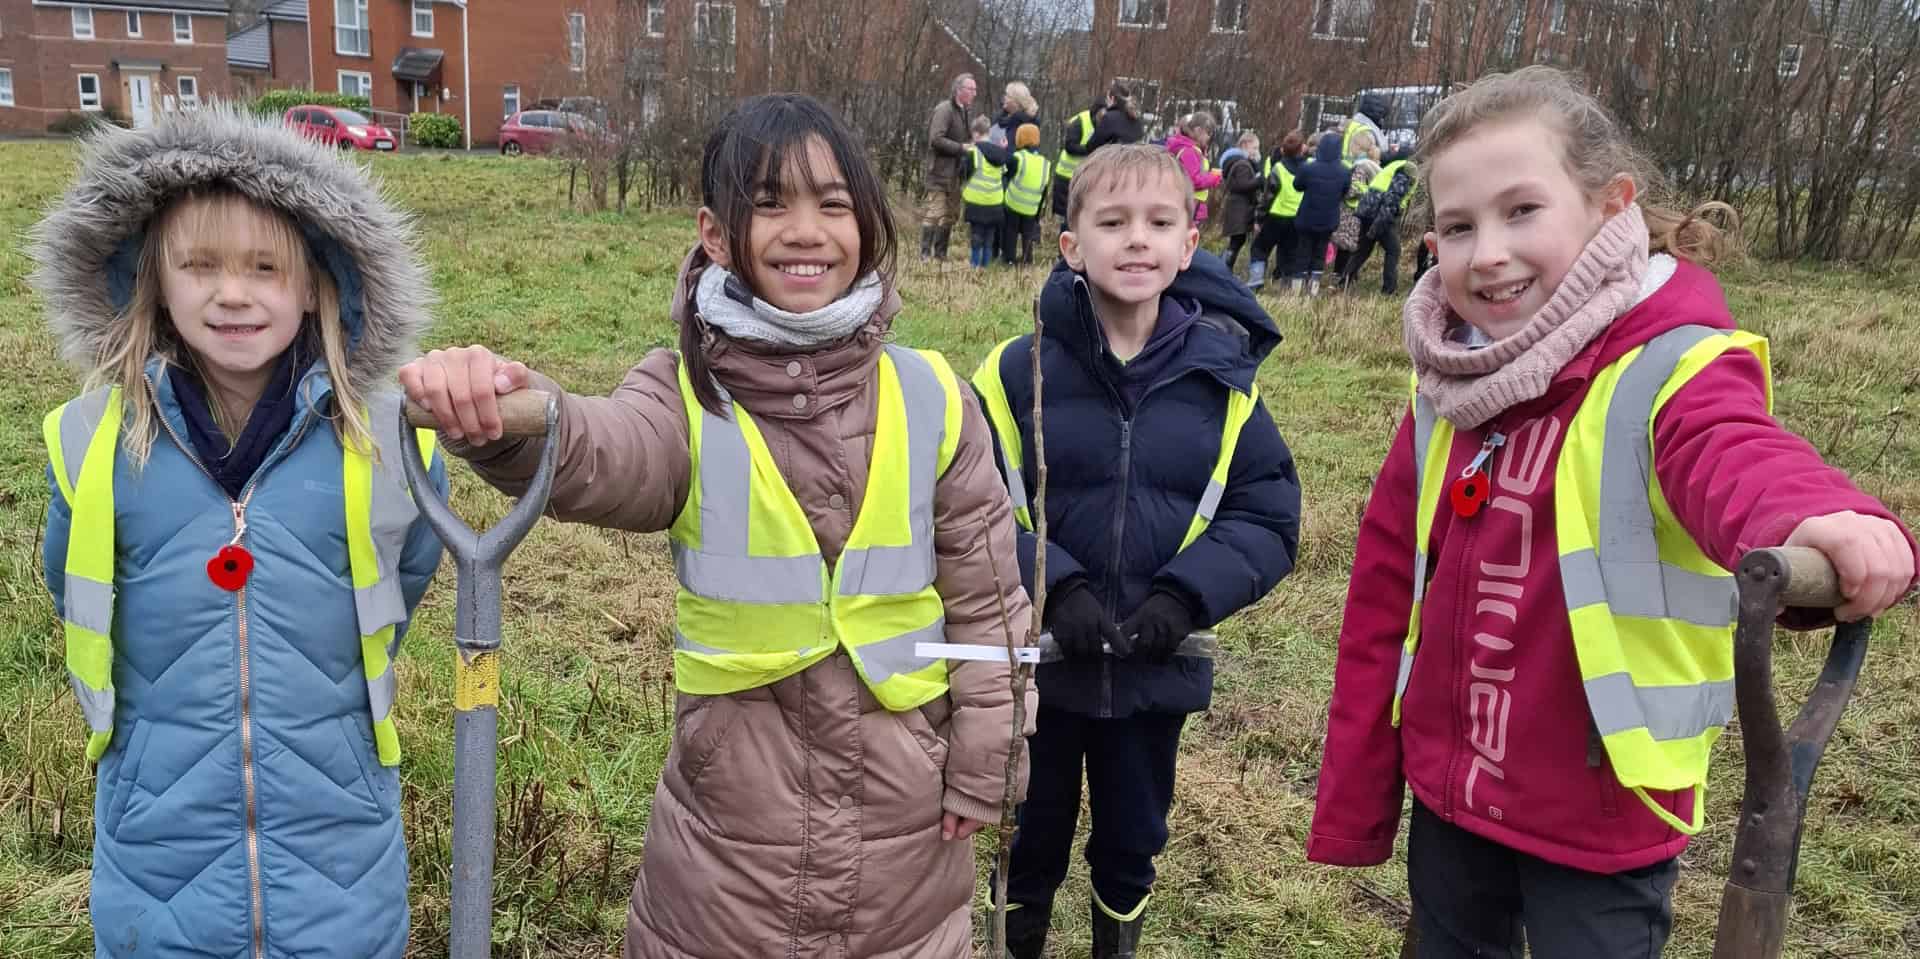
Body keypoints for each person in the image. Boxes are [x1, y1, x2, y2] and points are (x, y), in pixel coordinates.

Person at [398, 93, 1037, 959]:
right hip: (730, 840)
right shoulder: (685, 396)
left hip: (910, 835)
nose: (804, 229)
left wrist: (988, 761)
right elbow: (603, 451)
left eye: (832, 203)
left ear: (870, 226)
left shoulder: (934, 398)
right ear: (714, 233)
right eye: (769, 203)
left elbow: (991, 606)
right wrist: (518, 417)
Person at [1308, 66, 1918, 958]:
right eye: (1458, 226)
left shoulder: (1667, 362)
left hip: (1599, 807)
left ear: (1608, 205)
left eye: (1523, 211)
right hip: (1453, 787)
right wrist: (1365, 784)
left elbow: (1730, 449)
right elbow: (1388, 582)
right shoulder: (1452, 381)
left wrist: (1815, 514)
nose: (1487, 254)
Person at [32, 108, 445, 957]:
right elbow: (67, 575)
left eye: (265, 267)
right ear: (153, 275)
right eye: (201, 265)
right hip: (160, 856)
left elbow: (408, 572)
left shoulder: (381, 446)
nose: (233, 293)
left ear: (316, 283)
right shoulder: (95, 446)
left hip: (340, 857)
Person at [972, 144, 1301, 959]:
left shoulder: (1225, 384)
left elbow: (1268, 512)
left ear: (1190, 246)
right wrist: (1055, 585)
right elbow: (968, 508)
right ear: (1072, 245)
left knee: (1130, 838)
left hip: (1156, 670)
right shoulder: (1017, 373)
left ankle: (1117, 941)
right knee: (1030, 834)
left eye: (1160, 222)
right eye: (1111, 222)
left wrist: (1185, 597)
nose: (1136, 240)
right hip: (1040, 669)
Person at [1339, 145, 1417, 295]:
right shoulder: (1408, 169)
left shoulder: (1394, 165)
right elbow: (1392, 198)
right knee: (1393, 250)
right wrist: (1378, 224)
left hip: (1367, 208)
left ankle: (1344, 281)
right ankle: (1389, 290)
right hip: (1380, 213)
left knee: (1363, 249)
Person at [921, 73, 977, 261]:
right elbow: (935, 139)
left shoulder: (965, 112)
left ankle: (940, 254)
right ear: (959, 90)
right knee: (935, 213)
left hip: (955, 174)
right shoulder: (944, 110)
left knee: (950, 215)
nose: (974, 93)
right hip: (938, 172)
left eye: (975, 89)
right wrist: (961, 148)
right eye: (971, 89)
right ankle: (925, 254)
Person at [1291, 129, 1352, 295]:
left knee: (1302, 252)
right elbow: (1345, 192)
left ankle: (1296, 290)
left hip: (1307, 218)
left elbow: (1297, 186)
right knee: (1319, 254)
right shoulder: (1345, 172)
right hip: (1329, 220)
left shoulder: (1308, 168)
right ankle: (1313, 290)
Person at [1246, 131, 1307, 292]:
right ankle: (1286, 286)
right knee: (1289, 253)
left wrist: (1259, 219)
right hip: (1296, 218)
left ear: (1283, 150)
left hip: (1275, 216)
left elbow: (1267, 198)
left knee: (1260, 248)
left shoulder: (1278, 169)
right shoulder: (1307, 169)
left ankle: (1256, 280)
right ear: (1301, 150)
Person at [961, 114, 1013, 268]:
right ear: (988, 133)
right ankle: (986, 266)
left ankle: (974, 265)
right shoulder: (1000, 153)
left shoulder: (973, 152)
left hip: (976, 201)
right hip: (995, 201)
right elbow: (1004, 173)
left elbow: (963, 173)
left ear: (976, 134)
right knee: (989, 236)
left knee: (976, 235)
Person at [1051, 97, 1107, 225]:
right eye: (1102, 116)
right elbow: (1070, 146)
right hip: (1067, 176)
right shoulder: (1079, 122)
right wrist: (1089, 150)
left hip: (1085, 177)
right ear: (1096, 112)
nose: (1104, 120)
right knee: (1067, 217)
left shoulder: (1103, 125)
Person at [1003, 122, 1050, 266]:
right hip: (1032, 207)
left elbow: (1007, 176)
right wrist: (1039, 210)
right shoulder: (1045, 163)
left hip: (1013, 203)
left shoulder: (1018, 157)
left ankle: (1009, 259)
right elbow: (1045, 189)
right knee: (1027, 235)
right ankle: (1027, 260)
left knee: (1010, 232)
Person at [1216, 132, 1263, 274]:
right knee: (1237, 240)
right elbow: (1242, 185)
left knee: (1237, 240)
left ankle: (1223, 266)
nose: (1256, 152)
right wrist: (1258, 180)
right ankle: (1224, 268)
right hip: (1239, 209)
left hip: (1238, 208)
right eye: (1254, 148)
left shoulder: (1238, 163)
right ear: (1244, 145)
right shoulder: (1242, 164)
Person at [1165, 112, 1223, 226]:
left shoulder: (1185, 147)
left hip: (1186, 203)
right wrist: (1214, 177)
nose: (1209, 137)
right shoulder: (1189, 151)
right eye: (1208, 133)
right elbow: (1193, 181)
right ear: (1198, 131)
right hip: (1190, 204)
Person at [1087, 80, 1144, 151]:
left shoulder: (1109, 118)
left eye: (1107, 98)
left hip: (1114, 160)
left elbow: (1091, 146)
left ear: (1112, 98)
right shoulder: (1137, 119)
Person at [993, 80, 1041, 147]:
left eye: (1007, 95)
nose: (1004, 98)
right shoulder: (1001, 119)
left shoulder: (1027, 125)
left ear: (1016, 101)